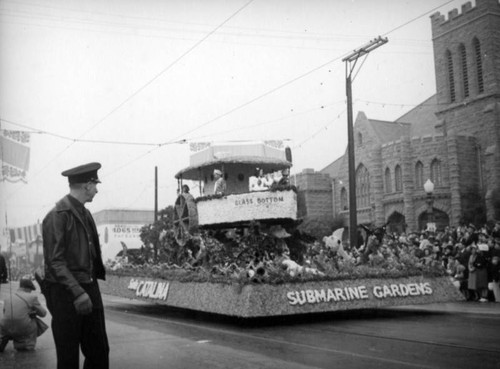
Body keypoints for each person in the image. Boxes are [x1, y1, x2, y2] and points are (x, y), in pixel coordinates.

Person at [41, 162, 109, 369]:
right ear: (87, 185)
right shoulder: (56, 216)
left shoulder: (85, 213)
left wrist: (88, 289)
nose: (96, 190)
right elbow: (55, 262)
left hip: (89, 287)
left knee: (99, 351)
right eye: (95, 184)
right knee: (68, 356)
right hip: (66, 292)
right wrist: (78, 292)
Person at [0, 277, 47, 352]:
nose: (31, 291)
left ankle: (3, 339)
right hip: (22, 326)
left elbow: (5, 312)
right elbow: (43, 313)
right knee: (34, 321)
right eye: (31, 289)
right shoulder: (32, 297)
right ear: (27, 288)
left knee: (11, 322)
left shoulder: (7, 298)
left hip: (5, 326)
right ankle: (25, 345)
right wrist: (33, 312)